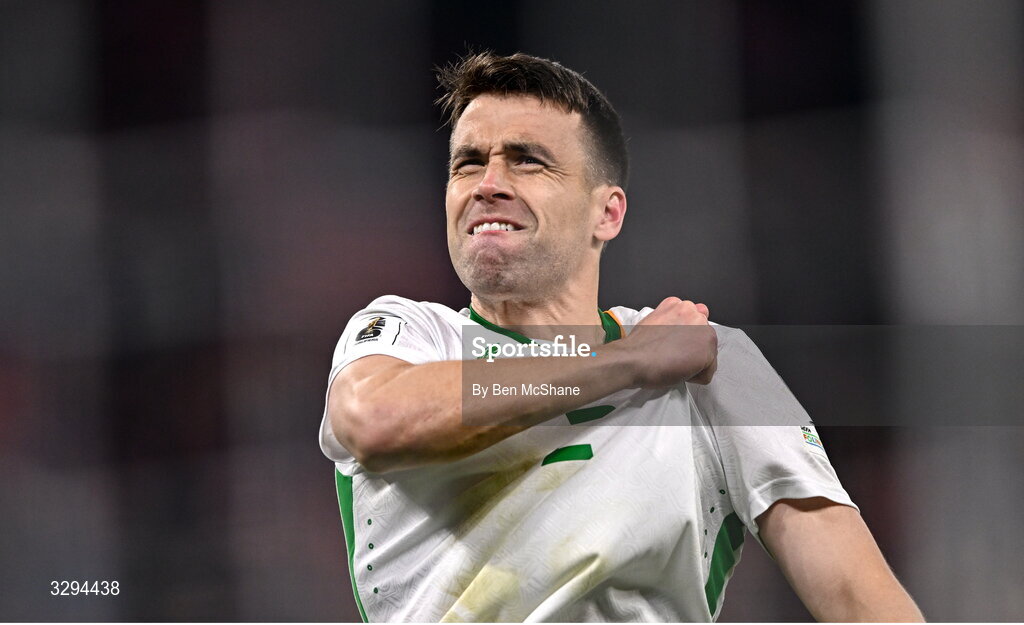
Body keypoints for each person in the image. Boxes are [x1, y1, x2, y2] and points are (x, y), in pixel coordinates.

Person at [319, 52, 923, 622]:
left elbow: (856, 596)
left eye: (527, 160)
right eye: (468, 162)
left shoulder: (710, 365)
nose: (487, 183)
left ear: (606, 213)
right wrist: (626, 360)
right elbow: (374, 420)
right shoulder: (410, 336)